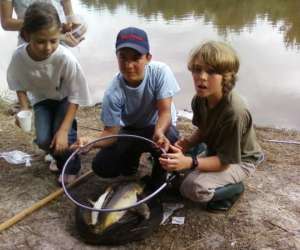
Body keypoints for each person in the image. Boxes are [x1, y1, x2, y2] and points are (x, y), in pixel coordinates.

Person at [159, 41, 264, 211]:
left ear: (226, 76)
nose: (202, 76)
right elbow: (203, 129)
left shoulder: (234, 112)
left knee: (191, 188)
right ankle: (198, 163)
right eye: (197, 69)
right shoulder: (200, 99)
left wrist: (190, 162)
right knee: (170, 161)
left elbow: (224, 162)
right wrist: (184, 144)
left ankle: (234, 190)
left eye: (211, 71)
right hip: (216, 150)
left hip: (239, 160)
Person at [74, 27, 180, 188]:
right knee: (102, 167)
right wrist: (91, 141)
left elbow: (165, 112)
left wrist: (159, 132)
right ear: (117, 57)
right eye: (123, 58)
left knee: (170, 135)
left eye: (136, 58)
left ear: (148, 58)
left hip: (158, 127)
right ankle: (132, 161)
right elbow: (111, 133)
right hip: (131, 130)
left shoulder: (161, 72)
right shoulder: (113, 92)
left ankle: (158, 180)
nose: (129, 65)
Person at [6, 2, 91, 185]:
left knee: (63, 137)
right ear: (27, 35)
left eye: (53, 40)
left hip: (65, 99)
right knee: (44, 140)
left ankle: (71, 166)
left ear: (59, 34)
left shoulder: (65, 58)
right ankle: (59, 154)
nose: (48, 48)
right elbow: (17, 82)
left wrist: (63, 129)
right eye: (40, 41)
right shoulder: (19, 57)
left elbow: (76, 93)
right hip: (41, 99)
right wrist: (24, 108)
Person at [0, 0, 86, 46]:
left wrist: (73, 32)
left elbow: (69, 13)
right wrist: (48, 26)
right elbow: (6, 23)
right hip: (30, 45)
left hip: (61, 43)